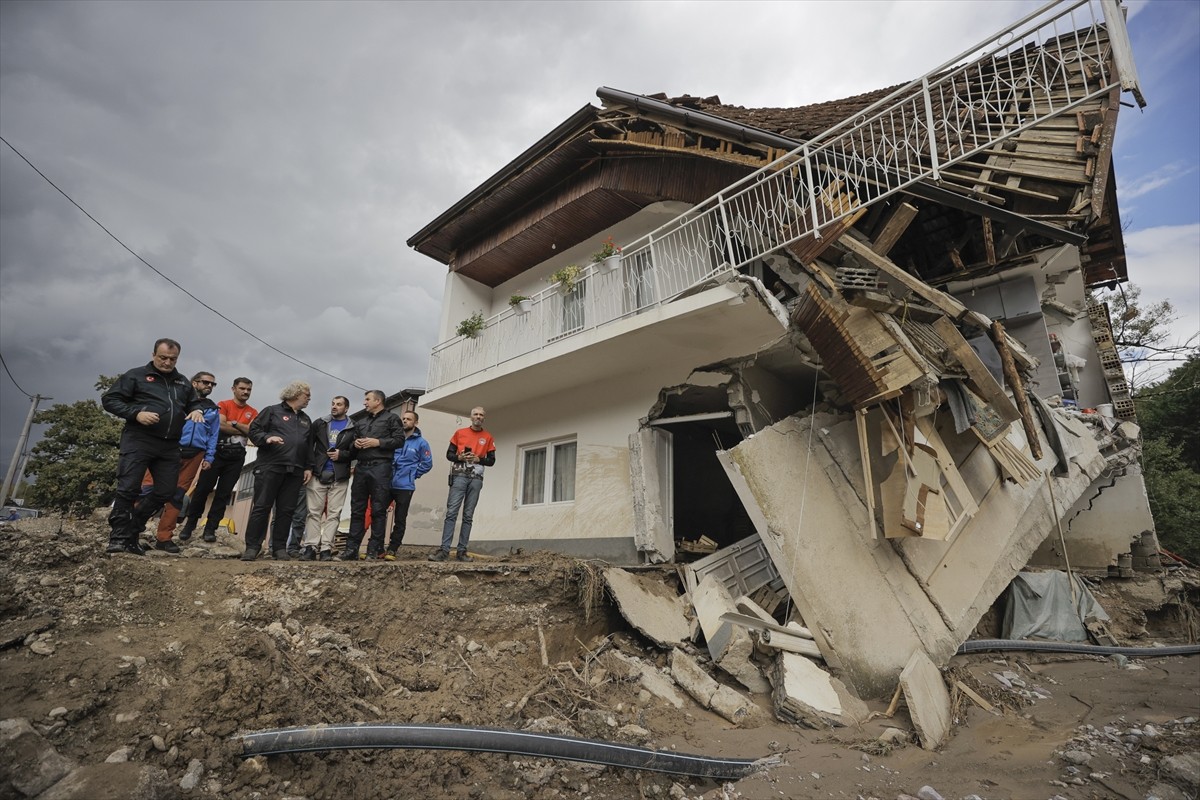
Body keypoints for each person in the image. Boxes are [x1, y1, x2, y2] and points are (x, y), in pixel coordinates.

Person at [101, 338, 205, 555]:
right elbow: (110, 399)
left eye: (172, 359)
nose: (167, 362)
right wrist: (136, 413)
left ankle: (132, 530)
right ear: (153, 355)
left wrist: (197, 410)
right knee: (129, 488)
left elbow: (194, 402)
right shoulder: (136, 375)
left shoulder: (183, 382)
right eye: (163, 358)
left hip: (169, 445)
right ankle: (119, 538)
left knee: (166, 491)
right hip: (139, 439)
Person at [138, 371, 220, 553]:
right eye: (205, 382)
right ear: (194, 382)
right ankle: (131, 530)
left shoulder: (212, 408)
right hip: (169, 449)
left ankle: (164, 538)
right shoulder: (177, 399)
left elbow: (214, 434)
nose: (209, 386)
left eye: (213, 384)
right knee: (147, 489)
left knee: (177, 496)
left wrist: (209, 457)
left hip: (195, 454)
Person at [179, 377, 257, 543]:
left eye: (248, 389)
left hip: (237, 456)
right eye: (242, 388)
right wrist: (241, 427)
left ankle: (210, 529)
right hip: (218, 451)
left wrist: (234, 424)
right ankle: (190, 525)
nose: (245, 392)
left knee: (223, 493)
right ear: (233, 389)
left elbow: (253, 432)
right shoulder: (223, 404)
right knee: (202, 489)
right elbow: (220, 425)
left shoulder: (253, 411)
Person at [242, 381, 313, 561]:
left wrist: (308, 467)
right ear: (295, 394)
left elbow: (308, 446)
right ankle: (252, 547)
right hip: (270, 466)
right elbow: (254, 430)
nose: (309, 398)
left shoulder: (306, 419)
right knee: (262, 507)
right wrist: (267, 438)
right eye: (307, 394)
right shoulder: (272, 411)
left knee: (286, 510)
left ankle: (279, 548)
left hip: (295, 471)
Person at [336, 390, 403, 561]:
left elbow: (399, 440)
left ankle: (374, 549)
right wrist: (355, 444)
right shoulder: (361, 421)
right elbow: (351, 447)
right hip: (361, 468)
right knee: (357, 510)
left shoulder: (391, 418)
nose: (364, 403)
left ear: (378, 401)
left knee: (378, 510)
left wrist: (378, 442)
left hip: (381, 467)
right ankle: (351, 550)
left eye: (367, 399)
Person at [429, 406, 495, 563]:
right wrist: (461, 457)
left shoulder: (488, 437)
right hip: (459, 476)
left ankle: (462, 551)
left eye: (481, 415)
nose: (478, 417)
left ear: (484, 418)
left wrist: (480, 459)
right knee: (451, 512)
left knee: (468, 515)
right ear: (471, 417)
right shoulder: (460, 433)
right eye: (476, 414)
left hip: (476, 479)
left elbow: (492, 460)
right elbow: (449, 455)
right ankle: (444, 550)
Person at [298, 396, 356, 561]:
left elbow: (355, 451)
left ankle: (325, 550)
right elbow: (309, 446)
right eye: (332, 404)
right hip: (318, 473)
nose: (334, 407)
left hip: (340, 476)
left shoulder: (353, 427)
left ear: (346, 408)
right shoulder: (320, 423)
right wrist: (309, 467)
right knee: (313, 512)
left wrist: (342, 455)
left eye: (339, 404)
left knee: (334, 514)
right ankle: (310, 547)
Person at [383, 409, 433, 560]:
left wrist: (412, 475)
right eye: (403, 418)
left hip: (405, 486)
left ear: (415, 423)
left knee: (400, 518)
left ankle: (393, 548)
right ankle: (377, 546)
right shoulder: (394, 438)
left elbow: (427, 464)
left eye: (408, 419)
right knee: (378, 514)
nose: (404, 421)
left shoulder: (422, 443)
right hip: (387, 482)